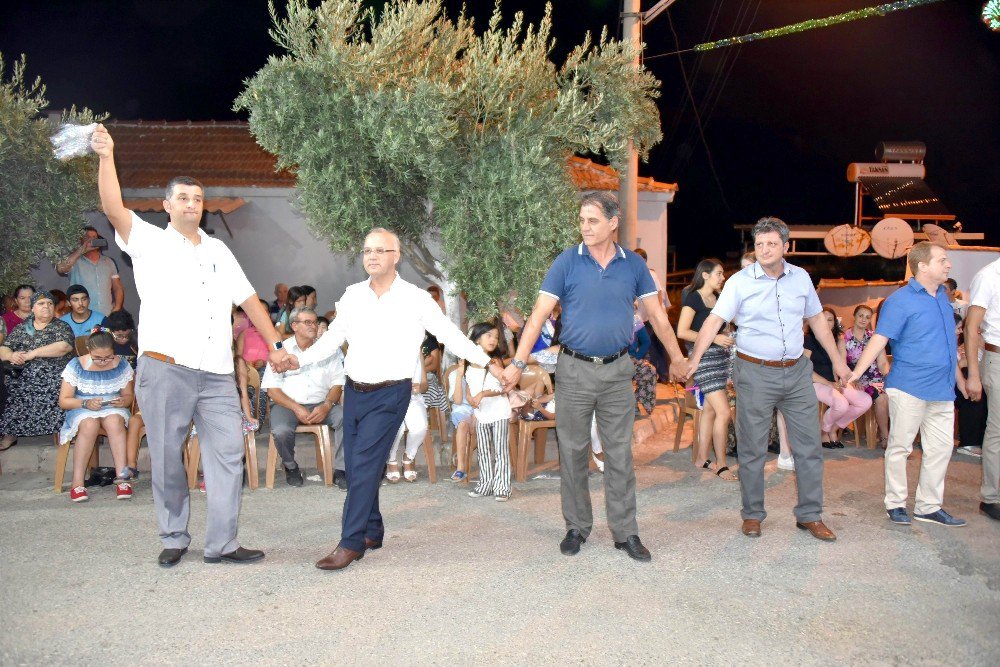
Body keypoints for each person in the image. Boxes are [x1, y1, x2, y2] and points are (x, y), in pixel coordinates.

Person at [93, 124, 292, 568]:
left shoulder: (219, 250)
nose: (191, 204)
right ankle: (174, 535)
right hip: (166, 369)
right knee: (166, 457)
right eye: (183, 197)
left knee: (227, 454)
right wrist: (107, 156)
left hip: (218, 375)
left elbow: (247, 299)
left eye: (197, 199)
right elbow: (112, 206)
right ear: (167, 205)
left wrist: (277, 344)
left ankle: (221, 544)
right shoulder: (149, 241)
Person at [290, 227, 500, 571]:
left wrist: (488, 362)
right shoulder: (353, 295)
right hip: (354, 391)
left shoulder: (416, 299)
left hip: (391, 393)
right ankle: (373, 529)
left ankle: (351, 542)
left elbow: (450, 335)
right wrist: (298, 359)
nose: (371, 256)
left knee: (363, 466)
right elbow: (332, 341)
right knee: (360, 464)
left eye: (380, 250)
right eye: (367, 250)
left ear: (395, 256)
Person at [502, 192, 687, 562]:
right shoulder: (567, 262)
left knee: (619, 453)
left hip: (619, 370)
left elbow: (659, 316)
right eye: (582, 220)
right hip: (574, 370)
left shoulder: (633, 265)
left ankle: (626, 532)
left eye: (593, 221)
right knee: (572, 451)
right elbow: (538, 315)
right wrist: (518, 364)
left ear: (612, 222)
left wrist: (678, 357)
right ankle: (576, 526)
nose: (585, 227)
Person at [687, 217, 849, 542]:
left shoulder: (801, 278)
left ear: (785, 247)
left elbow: (817, 320)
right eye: (759, 244)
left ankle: (810, 515)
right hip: (754, 372)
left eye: (771, 244)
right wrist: (693, 359)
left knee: (809, 447)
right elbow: (715, 320)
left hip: (797, 372)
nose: (764, 249)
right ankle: (752, 515)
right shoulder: (739, 282)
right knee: (752, 448)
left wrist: (837, 361)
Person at [848, 242, 968, 527]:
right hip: (909, 387)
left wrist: (959, 380)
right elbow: (880, 339)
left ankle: (928, 506)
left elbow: (949, 344)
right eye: (942, 260)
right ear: (922, 266)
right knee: (901, 447)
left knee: (940, 449)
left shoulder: (942, 296)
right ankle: (896, 503)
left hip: (941, 390)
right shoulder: (899, 300)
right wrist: (856, 373)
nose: (948, 265)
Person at [262, 306, 346, 488]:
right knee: (281, 431)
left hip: (323, 404)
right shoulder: (281, 351)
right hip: (288, 405)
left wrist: (327, 405)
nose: (313, 326)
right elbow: (272, 390)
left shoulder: (327, 349)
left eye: (315, 322)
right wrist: (296, 407)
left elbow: (338, 383)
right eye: (307, 322)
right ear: (294, 326)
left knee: (347, 419)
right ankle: (290, 466)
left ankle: (342, 469)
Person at [676, 258, 737, 481]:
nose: (722, 278)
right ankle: (721, 463)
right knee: (724, 412)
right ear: (705, 275)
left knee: (711, 411)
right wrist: (714, 338)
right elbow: (682, 332)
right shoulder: (694, 297)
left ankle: (702, 458)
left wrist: (724, 338)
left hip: (720, 360)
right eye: (719, 274)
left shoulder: (720, 299)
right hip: (703, 360)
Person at [57, 329, 135, 502]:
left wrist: (123, 401)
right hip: (82, 406)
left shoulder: (121, 364)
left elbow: (128, 397)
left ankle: (122, 478)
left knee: (115, 422)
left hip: (112, 407)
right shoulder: (76, 365)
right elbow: (64, 400)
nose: (102, 362)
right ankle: (77, 483)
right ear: (88, 351)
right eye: (97, 358)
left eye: (107, 357)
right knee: (89, 424)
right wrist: (85, 403)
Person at [0, 291, 75, 450]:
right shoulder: (23, 328)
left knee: (52, 384)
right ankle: (11, 433)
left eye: (49, 303)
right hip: (25, 374)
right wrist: (12, 355)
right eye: (41, 304)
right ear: (32, 308)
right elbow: (3, 349)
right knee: (13, 388)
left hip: (55, 373)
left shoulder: (61, 326)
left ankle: (64, 431)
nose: (46, 307)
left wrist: (31, 354)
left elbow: (64, 347)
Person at [963, 254, 1000, 521]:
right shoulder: (988, 276)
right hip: (997, 357)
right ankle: (992, 497)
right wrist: (973, 375)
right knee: (998, 429)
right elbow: (971, 328)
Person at [805, 307, 872, 448]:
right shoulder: (808, 339)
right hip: (814, 381)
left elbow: (841, 366)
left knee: (865, 401)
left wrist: (843, 381)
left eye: (830, 320)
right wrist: (829, 384)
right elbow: (805, 369)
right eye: (823, 319)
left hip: (834, 382)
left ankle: (833, 428)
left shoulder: (838, 340)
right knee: (841, 404)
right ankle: (824, 432)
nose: (826, 323)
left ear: (835, 323)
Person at [465, 323, 513, 501]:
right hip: (481, 413)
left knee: (500, 450)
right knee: (484, 450)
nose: (493, 340)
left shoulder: (495, 362)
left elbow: (503, 388)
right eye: (489, 336)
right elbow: (469, 385)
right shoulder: (468, 362)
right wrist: (470, 397)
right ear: (477, 339)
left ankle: (502, 487)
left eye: (495, 337)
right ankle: (485, 484)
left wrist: (483, 394)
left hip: (498, 411)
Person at [844, 304, 890, 448]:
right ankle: (885, 436)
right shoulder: (845, 338)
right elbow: (842, 364)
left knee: (898, 393)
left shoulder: (875, 338)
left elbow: (882, 363)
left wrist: (888, 375)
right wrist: (854, 379)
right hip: (857, 380)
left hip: (876, 378)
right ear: (854, 316)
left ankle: (898, 435)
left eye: (867, 317)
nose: (864, 320)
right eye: (861, 316)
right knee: (882, 397)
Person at [56, 226, 124, 316]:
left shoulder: (108, 262)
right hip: (83, 317)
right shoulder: (75, 261)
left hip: (107, 316)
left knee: (106, 330)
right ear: (81, 241)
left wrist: (117, 308)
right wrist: (82, 250)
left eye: (94, 238)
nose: (91, 240)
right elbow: (61, 269)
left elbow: (117, 287)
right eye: (87, 237)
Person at [385, 358, 429, 484]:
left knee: (420, 426)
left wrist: (419, 387)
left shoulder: (418, 350)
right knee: (396, 427)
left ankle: (408, 458)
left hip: (413, 399)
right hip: (389, 399)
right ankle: (391, 459)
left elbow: (425, 385)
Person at [634, 247, 670, 382]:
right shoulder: (635, 274)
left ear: (644, 260)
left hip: (653, 317)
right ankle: (654, 375)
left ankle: (662, 375)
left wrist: (658, 313)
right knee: (651, 345)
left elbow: (659, 294)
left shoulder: (651, 274)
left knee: (656, 345)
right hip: (643, 318)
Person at [447, 359, 475, 482]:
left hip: (479, 408)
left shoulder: (481, 372)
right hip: (461, 409)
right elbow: (458, 401)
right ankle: (460, 468)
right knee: (463, 425)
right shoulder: (454, 374)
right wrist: (459, 375)